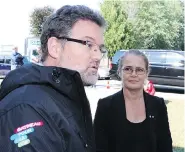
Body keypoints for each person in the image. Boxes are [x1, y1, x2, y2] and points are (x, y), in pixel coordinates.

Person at [0, 5, 106, 152]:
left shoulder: (62, 97)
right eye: (88, 44)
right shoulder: (28, 108)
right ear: (55, 47)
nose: (98, 56)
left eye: (100, 48)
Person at [94, 50, 172, 152]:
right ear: (119, 72)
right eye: (128, 69)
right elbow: (98, 148)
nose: (133, 74)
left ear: (146, 73)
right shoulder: (105, 106)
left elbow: (165, 147)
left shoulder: (158, 105)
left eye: (139, 70)